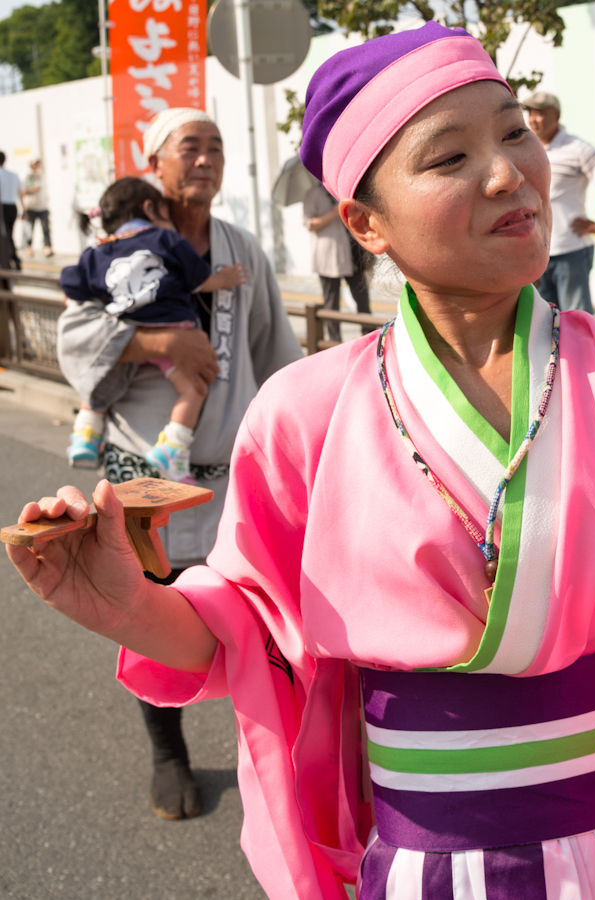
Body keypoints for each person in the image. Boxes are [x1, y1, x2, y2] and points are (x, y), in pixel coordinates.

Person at [11, 23, 595, 900]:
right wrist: (132, 607)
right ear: (365, 224)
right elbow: (250, 631)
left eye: (515, 131)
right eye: (449, 157)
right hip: (423, 870)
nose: (512, 171)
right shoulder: (304, 413)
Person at [53, 107, 302, 820]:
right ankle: (169, 752)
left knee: (260, 624)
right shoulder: (123, 242)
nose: (206, 159)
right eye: (189, 147)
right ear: (154, 163)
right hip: (144, 473)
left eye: (216, 147)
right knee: (151, 617)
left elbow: (276, 352)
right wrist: (157, 346)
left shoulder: (239, 250)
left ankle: (277, 760)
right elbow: (75, 332)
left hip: (234, 478)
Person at [61, 177, 248, 479]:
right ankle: (173, 446)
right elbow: (197, 280)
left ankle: (85, 433)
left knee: (100, 378)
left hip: (124, 331)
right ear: (150, 207)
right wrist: (224, 279)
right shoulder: (166, 240)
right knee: (194, 388)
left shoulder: (97, 252)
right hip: (174, 327)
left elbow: (72, 286)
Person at [523, 91, 595, 314]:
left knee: (576, 321)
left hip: (571, 250)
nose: (533, 119)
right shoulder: (526, 148)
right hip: (536, 250)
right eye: (530, 112)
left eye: (539, 113)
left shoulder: (578, 149)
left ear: (556, 115)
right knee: (541, 322)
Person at [303, 176, 373, 343]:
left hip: (351, 254)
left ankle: (370, 337)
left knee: (362, 298)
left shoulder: (343, 190)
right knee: (331, 302)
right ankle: (334, 342)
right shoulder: (313, 194)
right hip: (327, 257)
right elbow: (310, 224)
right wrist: (334, 213)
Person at [21, 157, 53, 257]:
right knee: (30, 229)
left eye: (38, 163)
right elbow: (23, 190)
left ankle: (47, 247)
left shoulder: (42, 175)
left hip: (42, 206)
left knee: (45, 228)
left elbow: (38, 188)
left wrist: (30, 190)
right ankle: (29, 247)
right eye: (35, 163)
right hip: (30, 207)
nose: (36, 165)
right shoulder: (26, 175)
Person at [0, 150, 23, 270]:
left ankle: (10, 259)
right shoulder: (13, 175)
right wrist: (23, 209)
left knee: (5, 236)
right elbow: (21, 193)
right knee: (9, 234)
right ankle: (14, 258)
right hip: (13, 207)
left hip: (2, 208)